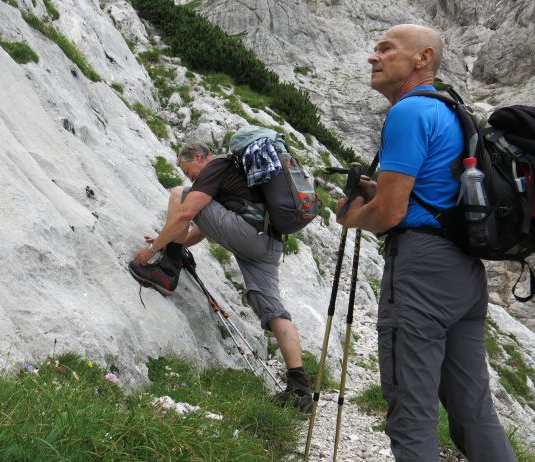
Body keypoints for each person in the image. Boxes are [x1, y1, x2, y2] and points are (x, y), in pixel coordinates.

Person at [336, 24, 517, 461]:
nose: (372, 57)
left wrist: (352, 217)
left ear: (424, 58)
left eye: (386, 49)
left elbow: (392, 213)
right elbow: (432, 194)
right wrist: (378, 192)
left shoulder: (409, 111)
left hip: (421, 272)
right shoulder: (450, 111)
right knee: (473, 410)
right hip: (464, 272)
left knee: (411, 410)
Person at [128, 141, 312, 411]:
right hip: (269, 243)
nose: (189, 176)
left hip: (248, 234)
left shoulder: (214, 167)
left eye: (189, 170)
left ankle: (167, 271)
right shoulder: (230, 172)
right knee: (274, 312)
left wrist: (154, 248)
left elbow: (189, 212)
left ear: (200, 157)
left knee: (181, 195)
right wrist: (170, 242)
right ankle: (300, 388)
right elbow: (205, 227)